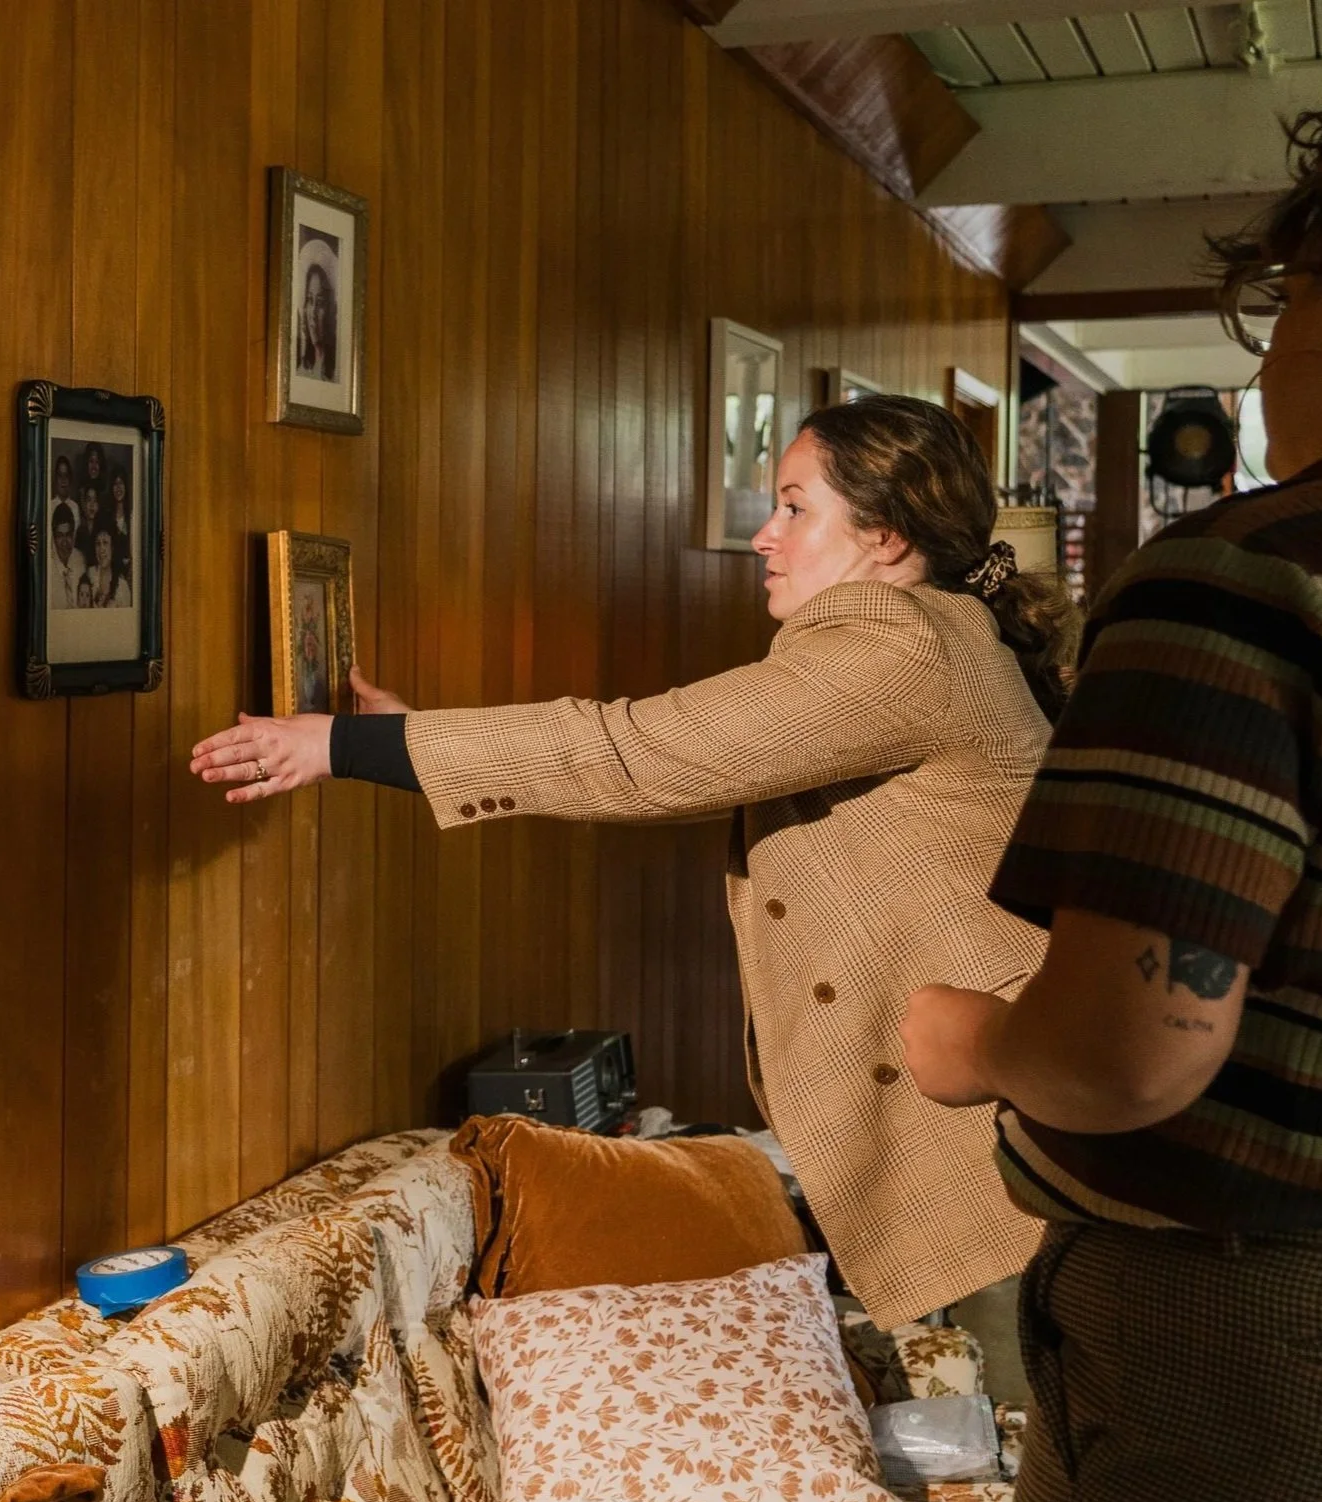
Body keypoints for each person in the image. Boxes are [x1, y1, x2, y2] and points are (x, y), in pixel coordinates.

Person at [900, 51, 1322, 1502]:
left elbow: (1129, 1047)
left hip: (1278, 1375)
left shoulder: (1257, 577)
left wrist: (969, 1039)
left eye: (1281, 301)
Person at [190, 395, 1080, 1325]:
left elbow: (635, 754)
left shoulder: (896, 650)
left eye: (793, 507)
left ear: (886, 538)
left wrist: (341, 747)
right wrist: (411, 739)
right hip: (992, 1122)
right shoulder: (926, 636)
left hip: (995, 1139)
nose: (763, 538)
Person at [295, 239, 338, 381]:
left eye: (319, 303)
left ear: (330, 308)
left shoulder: (336, 371)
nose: (312, 314)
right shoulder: (302, 369)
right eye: (309, 300)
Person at [49, 503, 86, 609]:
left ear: (73, 535)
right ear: (53, 537)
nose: (65, 542)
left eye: (68, 535)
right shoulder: (47, 567)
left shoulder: (80, 559)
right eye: (60, 536)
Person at [86, 528, 131, 609]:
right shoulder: (90, 575)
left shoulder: (122, 587)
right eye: (98, 544)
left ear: (113, 548)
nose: (101, 550)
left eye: (105, 543)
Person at [50, 455, 81, 533]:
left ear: (70, 478)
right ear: (55, 479)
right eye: (60, 476)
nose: (63, 480)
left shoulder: (75, 507)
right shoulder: (50, 506)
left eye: (66, 475)